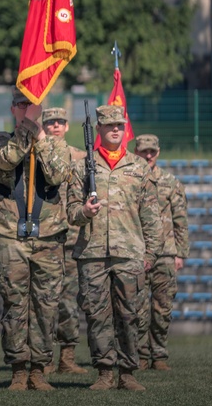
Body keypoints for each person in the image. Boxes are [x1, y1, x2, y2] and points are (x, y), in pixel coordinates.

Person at [66, 105, 159, 391]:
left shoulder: (138, 167)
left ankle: (128, 372)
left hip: (128, 251)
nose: (115, 129)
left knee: (130, 313)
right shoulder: (83, 166)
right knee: (97, 314)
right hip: (92, 251)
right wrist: (85, 211)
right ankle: (105, 371)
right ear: (99, 130)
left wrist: (151, 253)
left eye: (119, 125)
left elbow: (151, 214)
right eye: (109, 125)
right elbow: (70, 211)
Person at [0, 89, 72, 391]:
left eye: (31, 104)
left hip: (47, 234)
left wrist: (42, 139)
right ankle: (19, 368)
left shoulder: (57, 145)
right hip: (10, 232)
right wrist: (27, 131)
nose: (26, 109)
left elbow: (59, 174)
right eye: (21, 104)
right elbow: (6, 161)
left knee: (47, 305)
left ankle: (39, 368)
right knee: (14, 304)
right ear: (12, 109)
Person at [133, 134, 189, 371]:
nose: (148, 156)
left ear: (158, 152)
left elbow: (180, 219)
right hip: (137, 252)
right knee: (137, 308)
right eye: (144, 151)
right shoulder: (130, 179)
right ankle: (141, 355)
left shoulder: (170, 182)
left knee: (162, 307)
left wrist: (180, 254)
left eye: (152, 152)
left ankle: (159, 355)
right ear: (136, 151)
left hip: (165, 253)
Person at [41, 107, 89, 375]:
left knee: (69, 301)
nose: (55, 126)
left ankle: (67, 357)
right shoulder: (37, 153)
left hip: (70, 237)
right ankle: (43, 357)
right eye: (50, 122)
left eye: (60, 122)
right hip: (45, 236)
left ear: (67, 127)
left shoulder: (81, 158)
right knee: (44, 299)